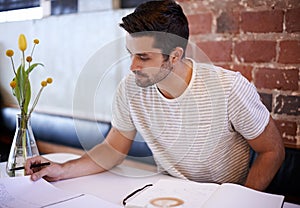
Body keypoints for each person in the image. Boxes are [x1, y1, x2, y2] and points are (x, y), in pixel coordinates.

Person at [25, 0, 284, 191]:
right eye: (131, 54)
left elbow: (272, 151)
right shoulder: (130, 88)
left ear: (175, 56)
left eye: (143, 57)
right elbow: (113, 149)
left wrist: (244, 201)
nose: (133, 66)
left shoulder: (229, 88)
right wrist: (61, 170)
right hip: (170, 195)